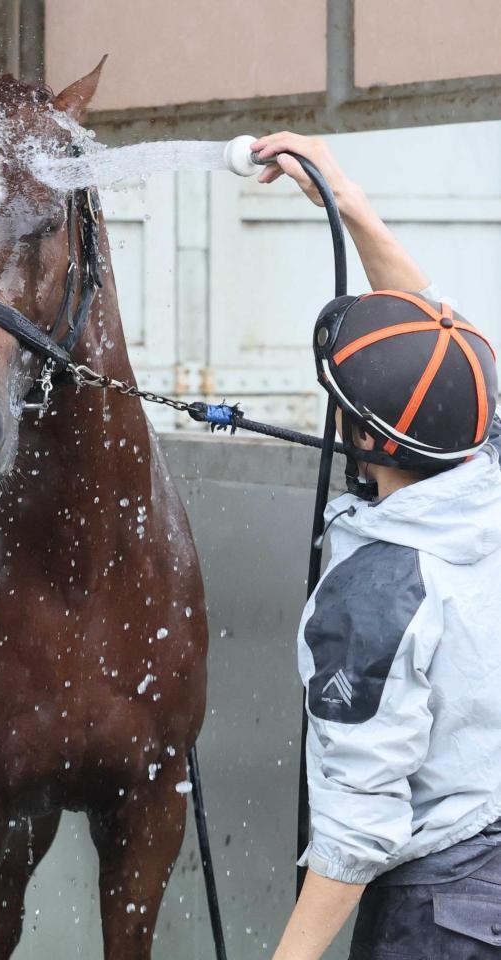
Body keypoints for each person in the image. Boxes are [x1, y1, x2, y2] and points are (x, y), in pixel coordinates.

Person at [251, 132, 501, 960]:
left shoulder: (376, 595)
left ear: (366, 440)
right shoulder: (488, 467)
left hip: (442, 915)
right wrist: (346, 200)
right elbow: (449, 348)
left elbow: (359, 829)